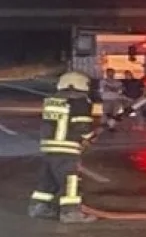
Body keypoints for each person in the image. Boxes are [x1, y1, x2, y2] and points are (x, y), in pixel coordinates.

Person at [29, 71, 96, 223]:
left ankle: (39, 207)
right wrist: (89, 137)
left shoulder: (52, 100)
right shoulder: (80, 101)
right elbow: (82, 125)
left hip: (48, 146)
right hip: (66, 146)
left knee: (48, 178)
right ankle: (70, 212)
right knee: (71, 180)